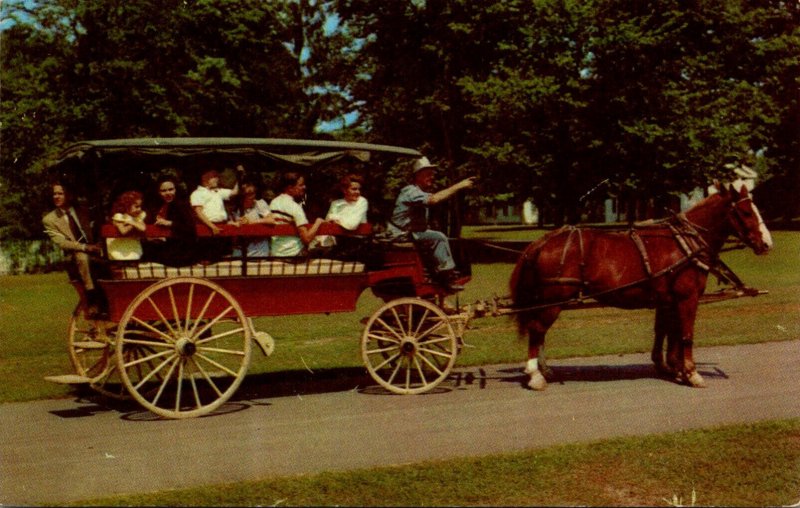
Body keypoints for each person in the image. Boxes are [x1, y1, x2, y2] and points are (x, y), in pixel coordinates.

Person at [388, 157, 475, 291]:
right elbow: (434, 200)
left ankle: (439, 275)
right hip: (401, 234)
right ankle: (446, 276)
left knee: (452, 240)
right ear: (417, 175)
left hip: (410, 233)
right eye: (428, 173)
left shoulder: (419, 192)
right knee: (439, 237)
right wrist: (459, 185)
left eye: (432, 173)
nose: (432, 176)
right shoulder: (411, 191)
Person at [42, 182, 104, 315]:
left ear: (69, 195)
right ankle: (91, 297)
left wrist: (98, 244)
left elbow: (98, 227)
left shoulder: (83, 210)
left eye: (60, 193)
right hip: (76, 255)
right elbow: (62, 242)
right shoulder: (49, 219)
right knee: (82, 257)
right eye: (54, 194)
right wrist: (84, 247)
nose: (56, 197)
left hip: (96, 249)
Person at [145, 176, 198, 267]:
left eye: (171, 189)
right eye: (164, 191)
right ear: (158, 192)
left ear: (176, 189)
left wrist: (169, 223)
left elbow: (190, 227)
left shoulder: (182, 205)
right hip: (161, 246)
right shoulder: (155, 206)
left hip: (180, 250)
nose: (168, 193)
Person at [269, 171, 324, 257]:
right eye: (301, 185)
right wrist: (318, 222)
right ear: (290, 188)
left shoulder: (274, 202)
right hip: (295, 254)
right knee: (326, 250)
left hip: (276, 253)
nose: (304, 187)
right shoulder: (295, 207)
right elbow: (306, 239)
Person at [312, 173, 368, 253]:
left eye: (359, 189)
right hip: (338, 243)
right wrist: (339, 221)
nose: (358, 192)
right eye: (354, 189)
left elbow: (351, 225)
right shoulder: (336, 203)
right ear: (344, 190)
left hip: (357, 244)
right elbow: (328, 225)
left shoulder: (362, 201)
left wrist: (335, 218)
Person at [190, 167, 241, 235]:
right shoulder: (197, 193)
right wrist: (212, 227)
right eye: (214, 177)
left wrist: (240, 175)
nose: (217, 179)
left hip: (221, 226)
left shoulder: (218, 191)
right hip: (207, 228)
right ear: (205, 178)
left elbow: (235, 192)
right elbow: (199, 213)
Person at [232, 181, 276, 258]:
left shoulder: (260, 204)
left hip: (258, 252)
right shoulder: (235, 208)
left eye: (253, 193)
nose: (252, 196)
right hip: (240, 251)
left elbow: (271, 220)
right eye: (248, 194)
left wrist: (251, 222)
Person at [107, 190, 147, 260]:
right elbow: (123, 231)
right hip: (120, 248)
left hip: (132, 247)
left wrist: (132, 222)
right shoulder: (119, 216)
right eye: (136, 207)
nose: (139, 209)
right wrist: (134, 223)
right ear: (127, 207)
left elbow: (143, 228)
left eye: (140, 206)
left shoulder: (137, 219)